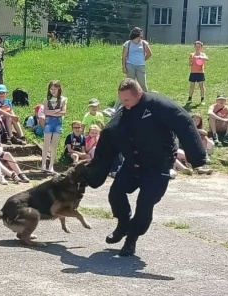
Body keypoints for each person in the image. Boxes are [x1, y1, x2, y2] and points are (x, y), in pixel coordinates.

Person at [85, 78, 207, 257]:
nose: (123, 104)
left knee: (144, 204)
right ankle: (123, 223)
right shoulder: (125, 110)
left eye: (126, 100)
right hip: (133, 164)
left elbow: (184, 122)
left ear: (139, 94)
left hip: (158, 167)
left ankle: (131, 239)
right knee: (116, 192)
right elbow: (110, 133)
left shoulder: (157, 105)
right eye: (121, 100)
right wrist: (94, 174)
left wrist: (197, 156)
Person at [121, 27, 151, 92]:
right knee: (130, 83)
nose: (142, 35)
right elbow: (124, 56)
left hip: (140, 65)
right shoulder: (127, 43)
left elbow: (149, 54)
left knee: (142, 83)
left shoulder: (144, 43)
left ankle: (146, 97)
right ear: (136, 34)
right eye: (141, 34)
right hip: (130, 65)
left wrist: (143, 60)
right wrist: (124, 67)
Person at [187, 41, 208, 106]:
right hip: (193, 72)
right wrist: (191, 62)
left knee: (201, 86)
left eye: (199, 46)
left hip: (200, 72)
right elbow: (190, 63)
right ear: (194, 47)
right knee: (192, 86)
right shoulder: (192, 54)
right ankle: (190, 98)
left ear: (201, 47)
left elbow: (207, 59)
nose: (197, 48)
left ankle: (202, 99)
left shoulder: (203, 54)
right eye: (196, 46)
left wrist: (199, 57)